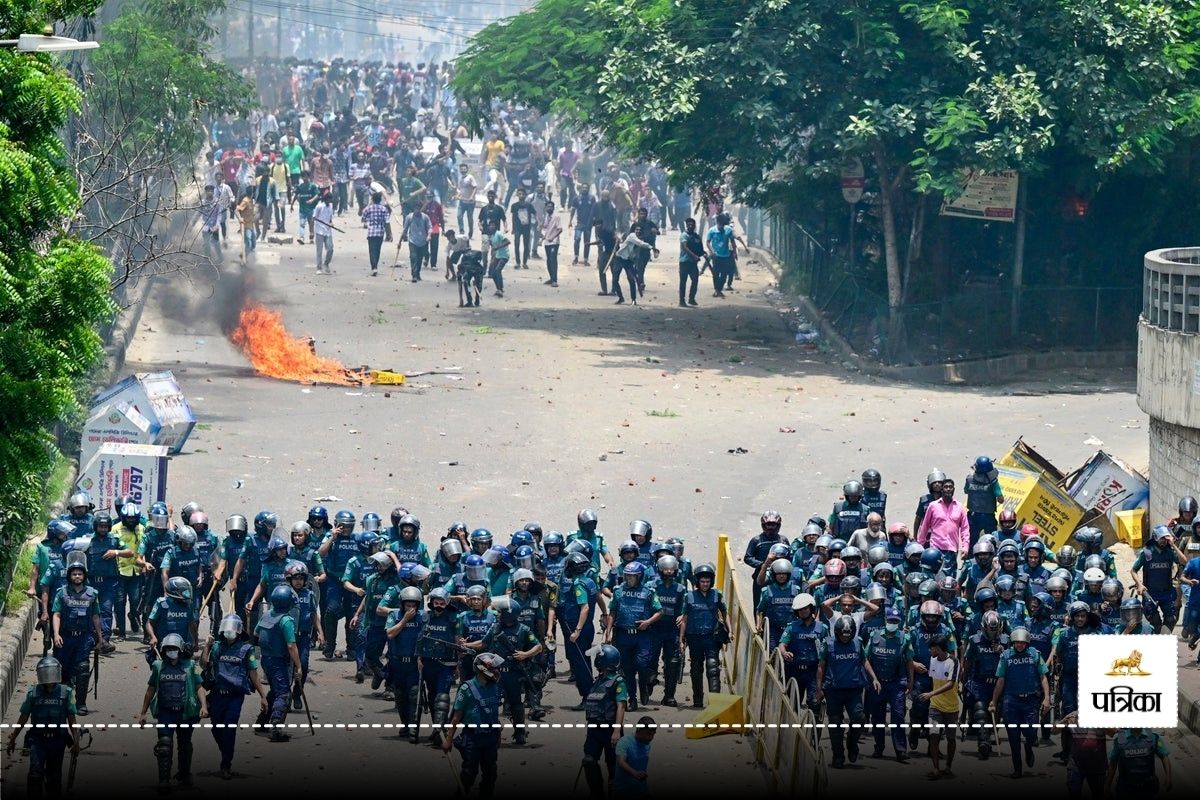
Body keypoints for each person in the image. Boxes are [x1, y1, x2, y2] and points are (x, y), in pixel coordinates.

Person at [136, 633, 207, 792]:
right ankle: (164, 780)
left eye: (174, 649)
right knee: (164, 746)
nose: (171, 652)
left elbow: (199, 688)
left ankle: (184, 775)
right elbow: (150, 690)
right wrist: (143, 713)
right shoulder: (158, 666)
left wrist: (204, 706)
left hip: (185, 713)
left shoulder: (190, 666)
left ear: (180, 650)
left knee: (185, 745)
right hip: (166, 713)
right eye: (168, 649)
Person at [200, 614, 267, 780]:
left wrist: (263, 696)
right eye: (227, 629)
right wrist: (207, 646)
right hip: (217, 695)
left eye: (232, 629)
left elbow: (253, 673)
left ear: (238, 631)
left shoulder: (247, 649)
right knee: (217, 729)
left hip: (235, 697)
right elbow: (204, 664)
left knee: (229, 730)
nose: (229, 632)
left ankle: (226, 765)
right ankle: (226, 752)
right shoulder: (217, 647)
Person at [6, 656, 80, 800]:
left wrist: (76, 741)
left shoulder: (66, 693)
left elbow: (72, 720)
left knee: (54, 778)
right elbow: (23, 717)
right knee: (35, 775)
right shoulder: (33, 694)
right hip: (37, 740)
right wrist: (13, 738)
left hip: (58, 741)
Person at [991, 627, 1051, 780]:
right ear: (1013, 642)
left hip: (1030, 701)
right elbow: (1000, 680)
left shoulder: (1035, 655)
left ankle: (1028, 746)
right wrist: (994, 701)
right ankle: (1017, 769)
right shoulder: (1006, 656)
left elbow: (1043, 677)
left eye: (1022, 643)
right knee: (1013, 737)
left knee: (1031, 733)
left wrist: (1047, 698)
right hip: (1011, 701)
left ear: (1027, 643)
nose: (1019, 645)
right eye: (1017, 642)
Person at [442, 652, 506, 797]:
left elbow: (493, 713)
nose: (496, 671)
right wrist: (448, 740)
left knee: (490, 774)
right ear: (482, 670)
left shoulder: (494, 687)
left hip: (490, 737)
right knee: (469, 773)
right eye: (493, 669)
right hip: (472, 738)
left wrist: (497, 735)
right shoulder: (467, 689)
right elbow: (456, 718)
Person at [816, 615, 867, 769]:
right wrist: (819, 688)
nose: (845, 638)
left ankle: (852, 743)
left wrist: (874, 678)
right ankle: (838, 756)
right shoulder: (827, 643)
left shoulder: (858, 643)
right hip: (833, 690)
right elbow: (821, 666)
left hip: (853, 689)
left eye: (848, 635)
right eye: (842, 635)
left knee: (859, 719)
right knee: (835, 724)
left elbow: (864, 661)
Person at [580, 643, 629, 798]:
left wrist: (616, 731)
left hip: (610, 729)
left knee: (613, 764)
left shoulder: (618, 681)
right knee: (589, 760)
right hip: (594, 729)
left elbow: (621, 706)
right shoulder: (598, 680)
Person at [254, 585, 302, 742]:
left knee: (275, 691)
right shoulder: (286, 620)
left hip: (265, 659)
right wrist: (299, 666)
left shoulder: (266, 615)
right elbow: (291, 645)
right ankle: (275, 728)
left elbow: (256, 633)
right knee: (284, 694)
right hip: (278, 661)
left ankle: (262, 722)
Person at [864, 605, 912, 761]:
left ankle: (901, 750)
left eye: (895, 621)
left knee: (898, 716)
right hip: (878, 683)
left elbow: (909, 661)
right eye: (890, 620)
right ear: (885, 620)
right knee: (877, 718)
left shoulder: (905, 638)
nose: (892, 623)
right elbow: (865, 658)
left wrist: (911, 681)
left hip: (896, 683)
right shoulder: (874, 636)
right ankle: (879, 747)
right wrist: (872, 678)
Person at [679, 563, 727, 709]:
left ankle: (716, 703)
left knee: (713, 668)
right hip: (694, 638)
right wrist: (681, 639)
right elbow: (684, 619)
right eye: (702, 581)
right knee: (696, 669)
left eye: (707, 581)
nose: (705, 584)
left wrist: (729, 630)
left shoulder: (717, 595)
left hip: (711, 638)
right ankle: (698, 700)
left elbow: (725, 613)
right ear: (697, 581)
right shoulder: (689, 596)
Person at [922, 634, 960, 779]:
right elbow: (933, 680)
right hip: (935, 706)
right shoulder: (933, 660)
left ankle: (948, 767)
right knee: (933, 735)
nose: (929, 651)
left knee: (951, 739)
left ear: (938, 649)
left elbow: (950, 684)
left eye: (931, 648)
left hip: (951, 707)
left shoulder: (954, 662)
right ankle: (936, 769)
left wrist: (931, 693)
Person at [917, 477, 969, 576]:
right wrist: (920, 545)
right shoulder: (933, 506)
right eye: (946, 487)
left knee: (949, 578)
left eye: (950, 487)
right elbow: (925, 526)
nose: (948, 489)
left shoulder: (960, 507)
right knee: (933, 576)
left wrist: (965, 547)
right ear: (942, 489)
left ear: (954, 489)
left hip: (951, 549)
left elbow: (965, 529)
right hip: (935, 547)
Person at [1105, 729, 1172, 797]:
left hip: (1148, 788)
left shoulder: (1153, 737)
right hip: (1126, 789)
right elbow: (1113, 763)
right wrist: (1107, 785)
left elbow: (1164, 756)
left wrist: (1168, 777)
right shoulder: (1120, 739)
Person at [608, 228, 656, 305]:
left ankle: (633, 299)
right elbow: (641, 243)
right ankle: (621, 298)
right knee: (615, 280)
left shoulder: (639, 242)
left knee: (631, 280)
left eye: (640, 231)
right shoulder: (632, 236)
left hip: (628, 261)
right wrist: (652, 247)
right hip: (619, 259)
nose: (638, 231)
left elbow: (636, 256)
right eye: (637, 230)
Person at [964, 456, 1005, 544]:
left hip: (973, 516)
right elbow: (1001, 500)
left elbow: (966, 491)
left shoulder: (969, 480)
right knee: (992, 540)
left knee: (972, 540)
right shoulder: (993, 482)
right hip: (988, 517)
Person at [613, 716, 657, 795]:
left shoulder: (647, 744)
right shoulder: (624, 742)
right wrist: (635, 773)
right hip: (623, 790)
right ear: (639, 730)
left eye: (653, 734)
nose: (651, 737)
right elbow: (621, 762)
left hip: (641, 788)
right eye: (648, 734)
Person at [360, 192, 392, 277]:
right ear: (380, 200)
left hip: (371, 233)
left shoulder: (368, 209)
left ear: (372, 200)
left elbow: (363, 219)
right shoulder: (384, 209)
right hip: (380, 233)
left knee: (372, 250)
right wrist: (389, 234)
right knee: (377, 250)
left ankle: (374, 267)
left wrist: (368, 220)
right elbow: (387, 222)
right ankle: (375, 266)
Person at [704, 213, 735, 297]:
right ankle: (717, 289)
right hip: (716, 256)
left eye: (723, 225)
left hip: (726, 256)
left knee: (724, 274)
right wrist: (712, 251)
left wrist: (734, 252)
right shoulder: (712, 231)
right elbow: (708, 242)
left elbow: (732, 241)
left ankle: (719, 289)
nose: (721, 227)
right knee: (716, 274)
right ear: (717, 222)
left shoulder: (728, 230)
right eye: (720, 224)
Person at [400, 202, 432, 282]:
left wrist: (429, 235)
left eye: (419, 209)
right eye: (416, 209)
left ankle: (417, 273)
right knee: (413, 257)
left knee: (419, 258)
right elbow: (405, 229)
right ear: (413, 209)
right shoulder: (409, 217)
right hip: (412, 241)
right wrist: (400, 241)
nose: (417, 210)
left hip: (422, 241)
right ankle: (414, 275)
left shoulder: (425, 217)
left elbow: (430, 227)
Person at [509, 187, 535, 268]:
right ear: (517, 195)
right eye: (519, 194)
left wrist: (536, 224)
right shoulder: (514, 206)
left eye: (523, 194)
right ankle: (518, 262)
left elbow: (534, 214)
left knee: (526, 245)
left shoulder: (529, 205)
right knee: (516, 244)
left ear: (525, 195)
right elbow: (513, 217)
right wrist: (513, 228)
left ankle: (524, 262)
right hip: (517, 228)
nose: (521, 195)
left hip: (526, 228)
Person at [570, 183, 596, 266]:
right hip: (579, 223)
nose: (584, 189)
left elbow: (594, 210)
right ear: (581, 189)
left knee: (587, 242)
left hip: (588, 224)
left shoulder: (592, 198)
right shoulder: (576, 198)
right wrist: (570, 221)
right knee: (577, 239)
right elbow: (573, 210)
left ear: (588, 189)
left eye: (586, 187)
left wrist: (594, 221)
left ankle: (585, 259)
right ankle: (576, 257)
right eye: (583, 187)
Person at [312, 190, 335, 274]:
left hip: (328, 231)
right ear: (326, 199)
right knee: (319, 250)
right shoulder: (319, 206)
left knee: (330, 248)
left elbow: (330, 218)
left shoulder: (331, 206)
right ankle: (319, 267)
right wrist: (315, 220)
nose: (330, 201)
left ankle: (326, 263)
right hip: (319, 231)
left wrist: (331, 223)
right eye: (329, 199)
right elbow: (314, 217)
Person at [541, 200, 562, 287]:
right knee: (549, 260)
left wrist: (553, 237)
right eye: (548, 206)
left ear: (553, 208)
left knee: (553, 260)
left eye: (551, 207)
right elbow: (546, 229)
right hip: (547, 242)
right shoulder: (546, 216)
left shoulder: (556, 217)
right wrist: (542, 239)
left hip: (554, 242)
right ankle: (551, 277)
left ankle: (554, 280)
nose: (549, 208)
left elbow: (560, 229)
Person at [488, 225, 511, 298]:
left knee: (498, 270)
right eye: (490, 225)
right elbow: (493, 246)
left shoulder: (499, 234)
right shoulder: (492, 236)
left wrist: (498, 247)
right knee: (493, 273)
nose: (491, 227)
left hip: (504, 255)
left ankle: (500, 289)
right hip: (498, 256)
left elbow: (508, 241)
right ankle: (498, 289)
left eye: (492, 225)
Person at [456, 163, 478, 238]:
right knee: (459, 216)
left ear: (467, 170)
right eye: (461, 170)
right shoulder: (460, 178)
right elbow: (460, 190)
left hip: (470, 202)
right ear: (460, 170)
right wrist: (457, 195)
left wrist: (472, 196)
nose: (463, 171)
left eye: (464, 169)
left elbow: (475, 187)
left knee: (469, 218)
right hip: (462, 201)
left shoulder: (470, 177)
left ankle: (470, 232)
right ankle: (461, 231)